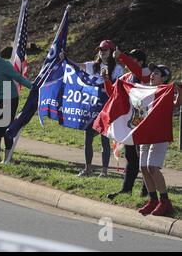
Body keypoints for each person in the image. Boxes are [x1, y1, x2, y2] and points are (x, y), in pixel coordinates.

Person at [112, 49, 182, 216]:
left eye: (157, 73)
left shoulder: (165, 91)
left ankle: (165, 201)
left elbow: (177, 103)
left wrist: (179, 89)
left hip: (159, 136)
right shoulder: (145, 90)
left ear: (164, 78)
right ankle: (153, 200)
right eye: (153, 72)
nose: (152, 75)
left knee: (152, 167)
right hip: (145, 135)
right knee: (143, 168)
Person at [62, 40, 124, 177]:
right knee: (88, 137)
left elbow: (118, 88)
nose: (102, 52)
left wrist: (107, 79)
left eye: (105, 50)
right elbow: (78, 67)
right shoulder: (93, 65)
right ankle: (87, 169)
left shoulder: (118, 69)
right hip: (91, 107)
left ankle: (104, 171)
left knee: (104, 139)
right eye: (100, 50)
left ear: (112, 52)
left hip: (107, 108)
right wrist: (66, 59)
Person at [104, 49, 150, 200]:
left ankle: (147, 190)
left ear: (141, 61)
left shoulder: (146, 71)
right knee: (131, 156)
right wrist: (106, 80)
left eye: (133, 59)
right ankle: (126, 189)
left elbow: (141, 74)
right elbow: (113, 93)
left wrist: (123, 57)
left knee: (144, 158)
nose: (128, 63)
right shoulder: (127, 77)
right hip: (131, 123)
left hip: (145, 121)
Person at [0, 39, 32, 165]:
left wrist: (33, 87)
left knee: (5, 128)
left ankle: (7, 158)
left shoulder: (3, 64)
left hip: (10, 99)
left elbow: (18, 77)